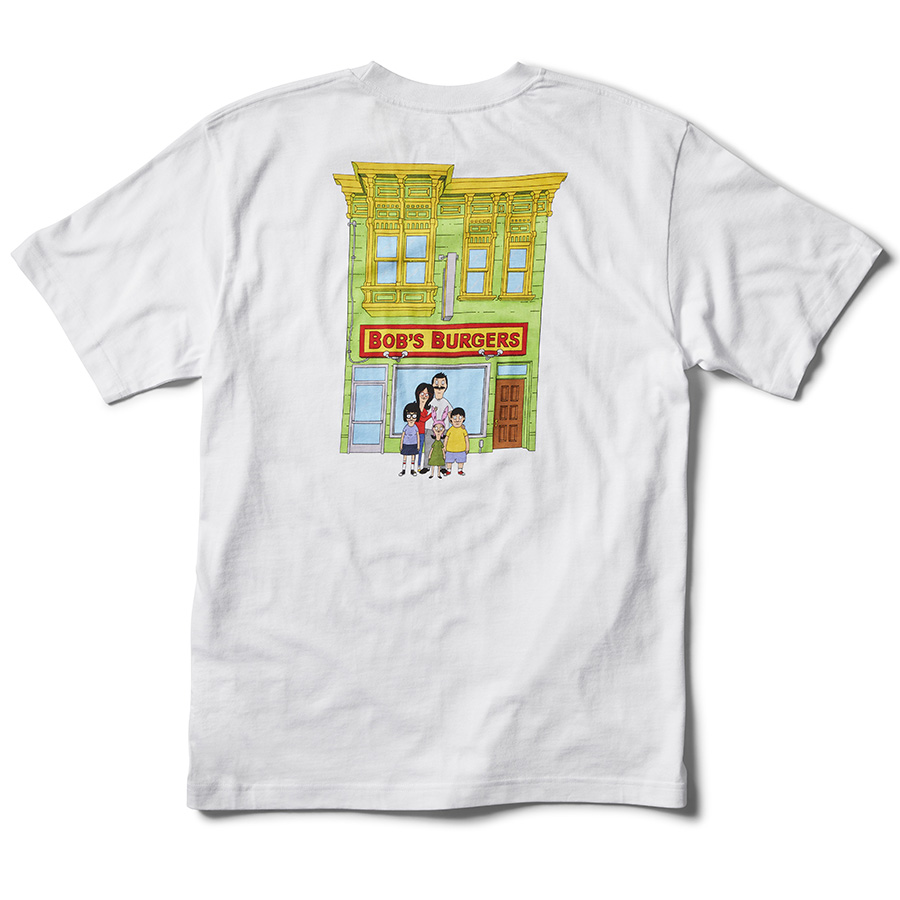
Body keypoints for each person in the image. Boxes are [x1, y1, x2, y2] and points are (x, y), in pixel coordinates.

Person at [422, 372, 451, 474]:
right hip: (429, 428)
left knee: (443, 447)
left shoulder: (446, 402)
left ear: (446, 386)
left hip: (444, 429)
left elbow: (450, 414)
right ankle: (426, 466)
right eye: (436, 383)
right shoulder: (430, 402)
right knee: (429, 447)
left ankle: (442, 467)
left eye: (442, 383)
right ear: (432, 385)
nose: (439, 386)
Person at [412, 382, 434, 471]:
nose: (424, 396)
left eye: (427, 395)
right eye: (422, 394)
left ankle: (418, 465)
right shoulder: (414, 407)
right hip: (414, 432)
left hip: (422, 432)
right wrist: (431, 415)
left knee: (420, 449)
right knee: (413, 449)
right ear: (418, 394)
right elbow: (422, 419)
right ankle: (412, 466)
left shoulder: (425, 410)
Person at [444, 407, 469, 475]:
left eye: (460, 418)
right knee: (449, 461)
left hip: (461, 450)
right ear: (451, 419)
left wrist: (467, 448)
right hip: (450, 450)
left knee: (461, 461)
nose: (457, 420)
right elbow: (446, 438)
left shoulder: (463, 430)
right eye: (455, 418)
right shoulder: (450, 429)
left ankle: (460, 470)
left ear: (463, 419)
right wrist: (444, 447)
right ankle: (448, 470)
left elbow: (466, 439)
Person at [399, 403, 420, 476]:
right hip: (406, 444)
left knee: (413, 457)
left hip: (414, 444)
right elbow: (402, 436)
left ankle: (412, 469)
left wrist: (418, 445)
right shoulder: (406, 427)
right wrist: (401, 445)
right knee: (404, 457)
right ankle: (403, 469)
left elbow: (418, 436)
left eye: (414, 416)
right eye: (408, 416)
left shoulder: (415, 427)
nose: (411, 418)